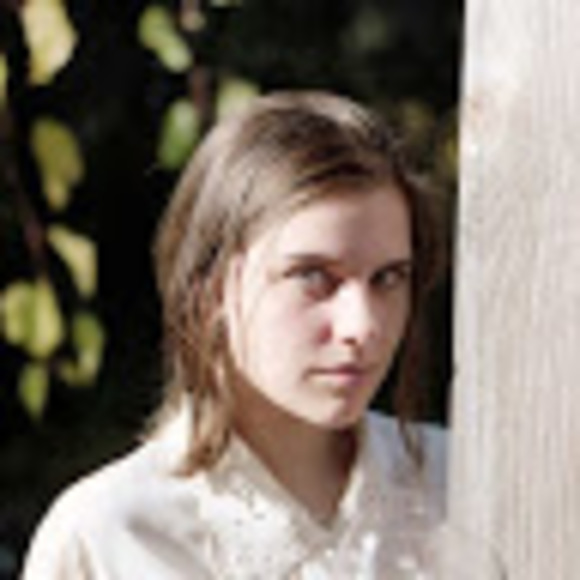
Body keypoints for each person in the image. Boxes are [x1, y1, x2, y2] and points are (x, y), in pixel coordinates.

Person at [22, 90, 446, 579]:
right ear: (211, 287)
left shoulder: (463, 484)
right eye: (313, 277)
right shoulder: (108, 538)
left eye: (388, 278)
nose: (363, 326)